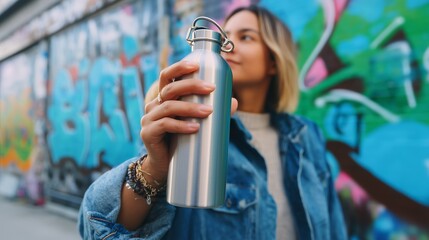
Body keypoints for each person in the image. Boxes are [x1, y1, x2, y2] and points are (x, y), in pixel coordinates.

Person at [78, 5, 347, 240]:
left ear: (274, 62)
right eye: (227, 35)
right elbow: (98, 229)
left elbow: (334, 228)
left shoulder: (305, 136)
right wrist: (154, 167)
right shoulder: (188, 123)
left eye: (246, 37)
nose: (230, 45)